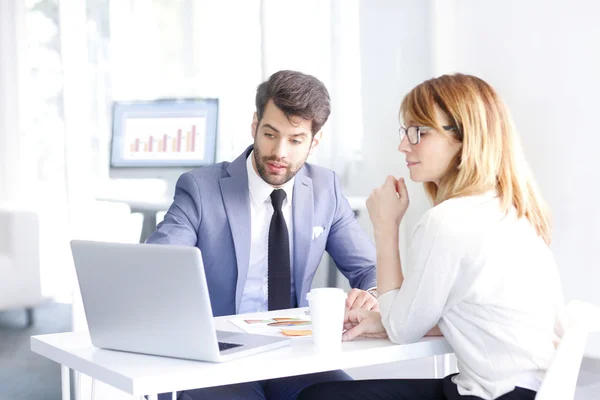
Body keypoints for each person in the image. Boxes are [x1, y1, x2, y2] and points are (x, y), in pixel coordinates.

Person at [298, 73, 564, 400]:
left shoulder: (448, 221)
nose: (403, 144)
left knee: (321, 397)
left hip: (493, 395)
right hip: (531, 389)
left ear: (465, 138)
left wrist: (385, 227)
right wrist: (383, 320)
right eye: (405, 131)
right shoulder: (513, 209)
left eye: (419, 132)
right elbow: (476, 316)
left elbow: (403, 329)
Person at [147, 70, 378, 400]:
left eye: (295, 140)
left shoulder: (326, 189)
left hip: (297, 354)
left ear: (314, 142)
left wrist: (371, 293)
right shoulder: (201, 189)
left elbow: (369, 268)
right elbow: (158, 267)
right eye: (270, 134)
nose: (279, 152)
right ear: (255, 126)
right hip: (219, 357)